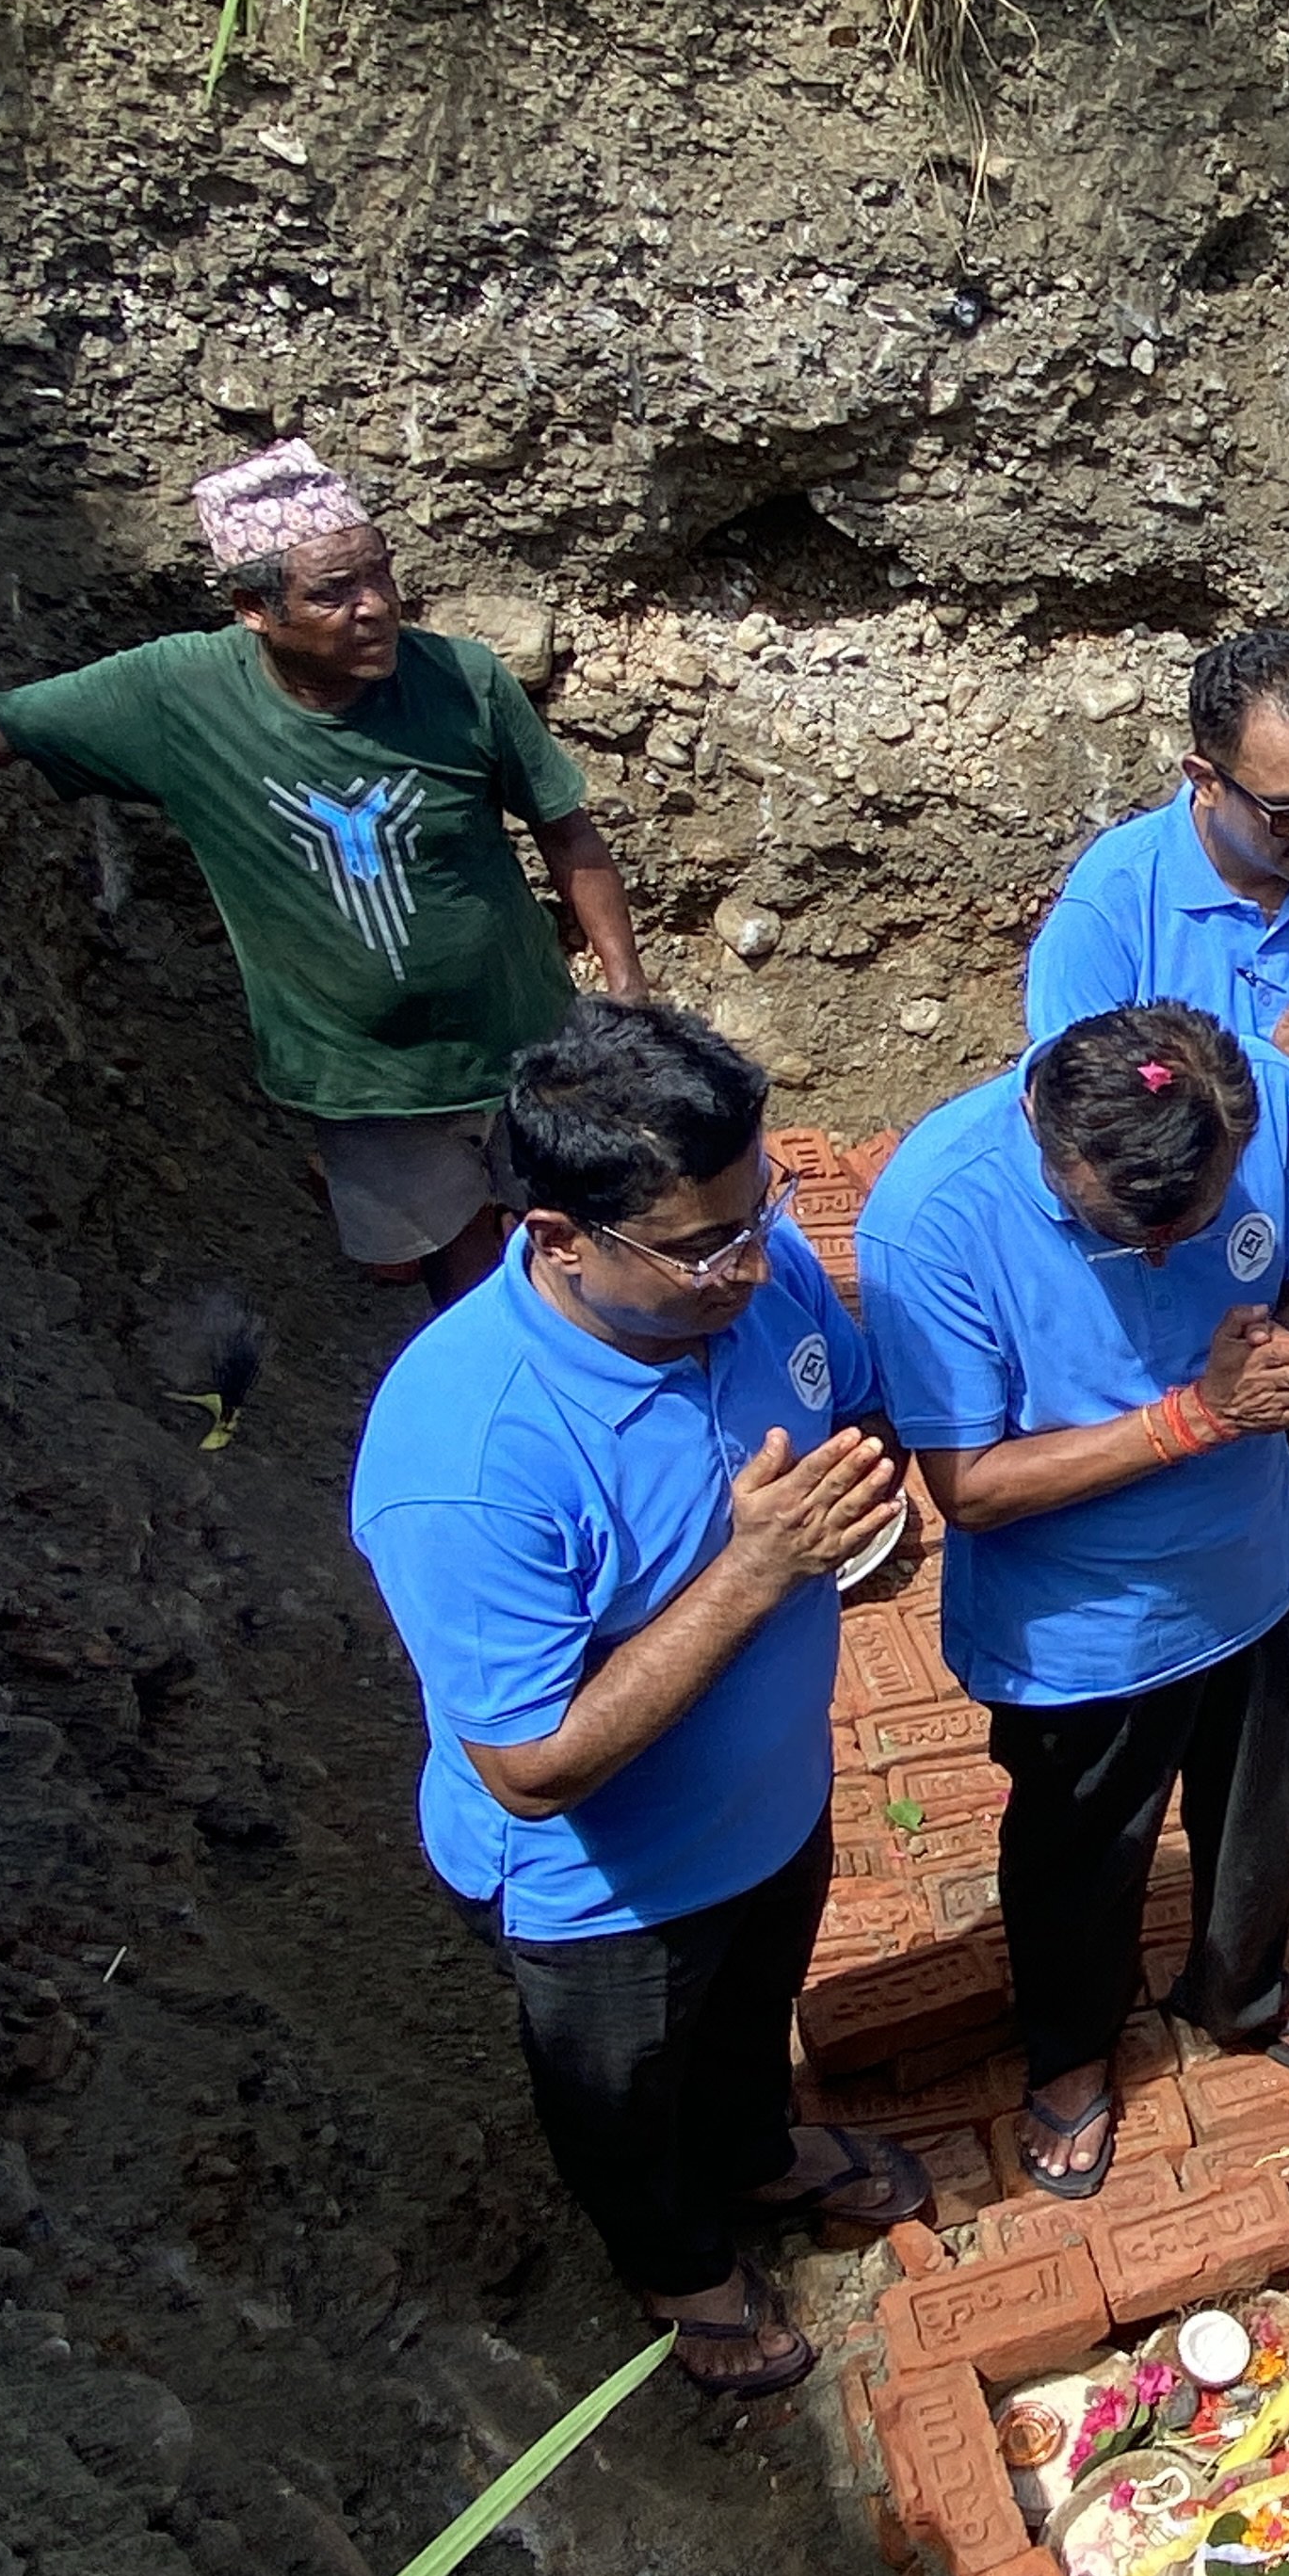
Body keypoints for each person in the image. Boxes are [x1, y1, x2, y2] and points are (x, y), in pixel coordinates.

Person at [0, 439, 643, 1305]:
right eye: (334, 593)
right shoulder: (174, 698)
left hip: (528, 1042)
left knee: (598, 1239)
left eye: (382, 576)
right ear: (252, 612)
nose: (376, 607)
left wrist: (624, 994)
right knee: (461, 1282)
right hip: (363, 1079)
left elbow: (569, 834)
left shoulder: (464, 683)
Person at [351, 1002, 923, 2396]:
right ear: (556, 1241)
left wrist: (865, 1485)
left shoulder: (752, 1271)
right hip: (602, 1897)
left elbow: (850, 1405)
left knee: (751, 2015)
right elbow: (534, 1766)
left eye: (759, 1209)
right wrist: (758, 1569)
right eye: (703, 1243)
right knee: (620, 2103)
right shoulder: (471, 1458)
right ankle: (678, 2266)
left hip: (769, 1807)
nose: (751, 1259)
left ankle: (760, 2152)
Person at [857, 1002, 1289, 2199]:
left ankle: (1238, 1991)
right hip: (1082, 1635)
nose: (1164, 1257)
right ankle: (1074, 2051)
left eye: (1192, 1226)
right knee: (1082, 1854)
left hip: (1257, 1564)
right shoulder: (933, 1220)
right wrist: (1198, 1416)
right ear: (1056, 1147)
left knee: (1259, 1814)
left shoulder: (1267, 1104)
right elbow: (970, 1487)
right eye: (1135, 1229)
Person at [1023, 627, 1289, 1774]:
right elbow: (1077, 1134)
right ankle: (1151, 1689)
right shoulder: (1112, 908)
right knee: (1158, 1503)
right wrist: (1262, 1079)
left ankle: (1286, 1657)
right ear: (1202, 780)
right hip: (1171, 1306)